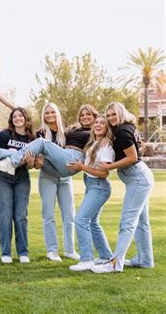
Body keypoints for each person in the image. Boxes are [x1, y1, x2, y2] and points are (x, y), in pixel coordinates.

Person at [0, 103, 99, 261]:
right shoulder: (43, 132)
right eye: (46, 112)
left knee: (69, 214)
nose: (50, 115)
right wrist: (35, 163)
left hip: (66, 173)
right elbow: (34, 163)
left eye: (52, 112)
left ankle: (70, 249)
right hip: (48, 173)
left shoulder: (68, 131)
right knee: (48, 214)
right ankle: (52, 251)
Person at [92, 102, 154, 273]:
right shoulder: (127, 127)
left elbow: (133, 157)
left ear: (121, 113)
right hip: (140, 178)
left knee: (127, 222)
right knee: (141, 222)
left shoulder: (121, 131)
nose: (111, 118)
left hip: (138, 179)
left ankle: (114, 264)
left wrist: (108, 167)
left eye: (114, 114)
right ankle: (145, 259)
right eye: (108, 115)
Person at [67, 115, 114, 271]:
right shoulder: (95, 142)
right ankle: (106, 256)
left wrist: (82, 167)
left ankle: (87, 259)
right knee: (93, 223)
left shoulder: (105, 146)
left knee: (81, 220)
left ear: (108, 128)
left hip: (99, 186)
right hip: (92, 185)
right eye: (97, 123)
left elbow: (104, 173)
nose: (98, 125)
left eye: (103, 123)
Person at [0, 107, 35, 264]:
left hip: (22, 178)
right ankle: (6, 253)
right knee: (5, 215)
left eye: (20, 115)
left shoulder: (32, 139)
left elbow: (31, 166)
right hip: (2, 177)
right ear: (12, 120)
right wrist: (19, 157)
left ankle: (23, 252)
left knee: (21, 216)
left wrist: (28, 161)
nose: (18, 118)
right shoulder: (5, 135)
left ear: (25, 118)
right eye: (14, 116)